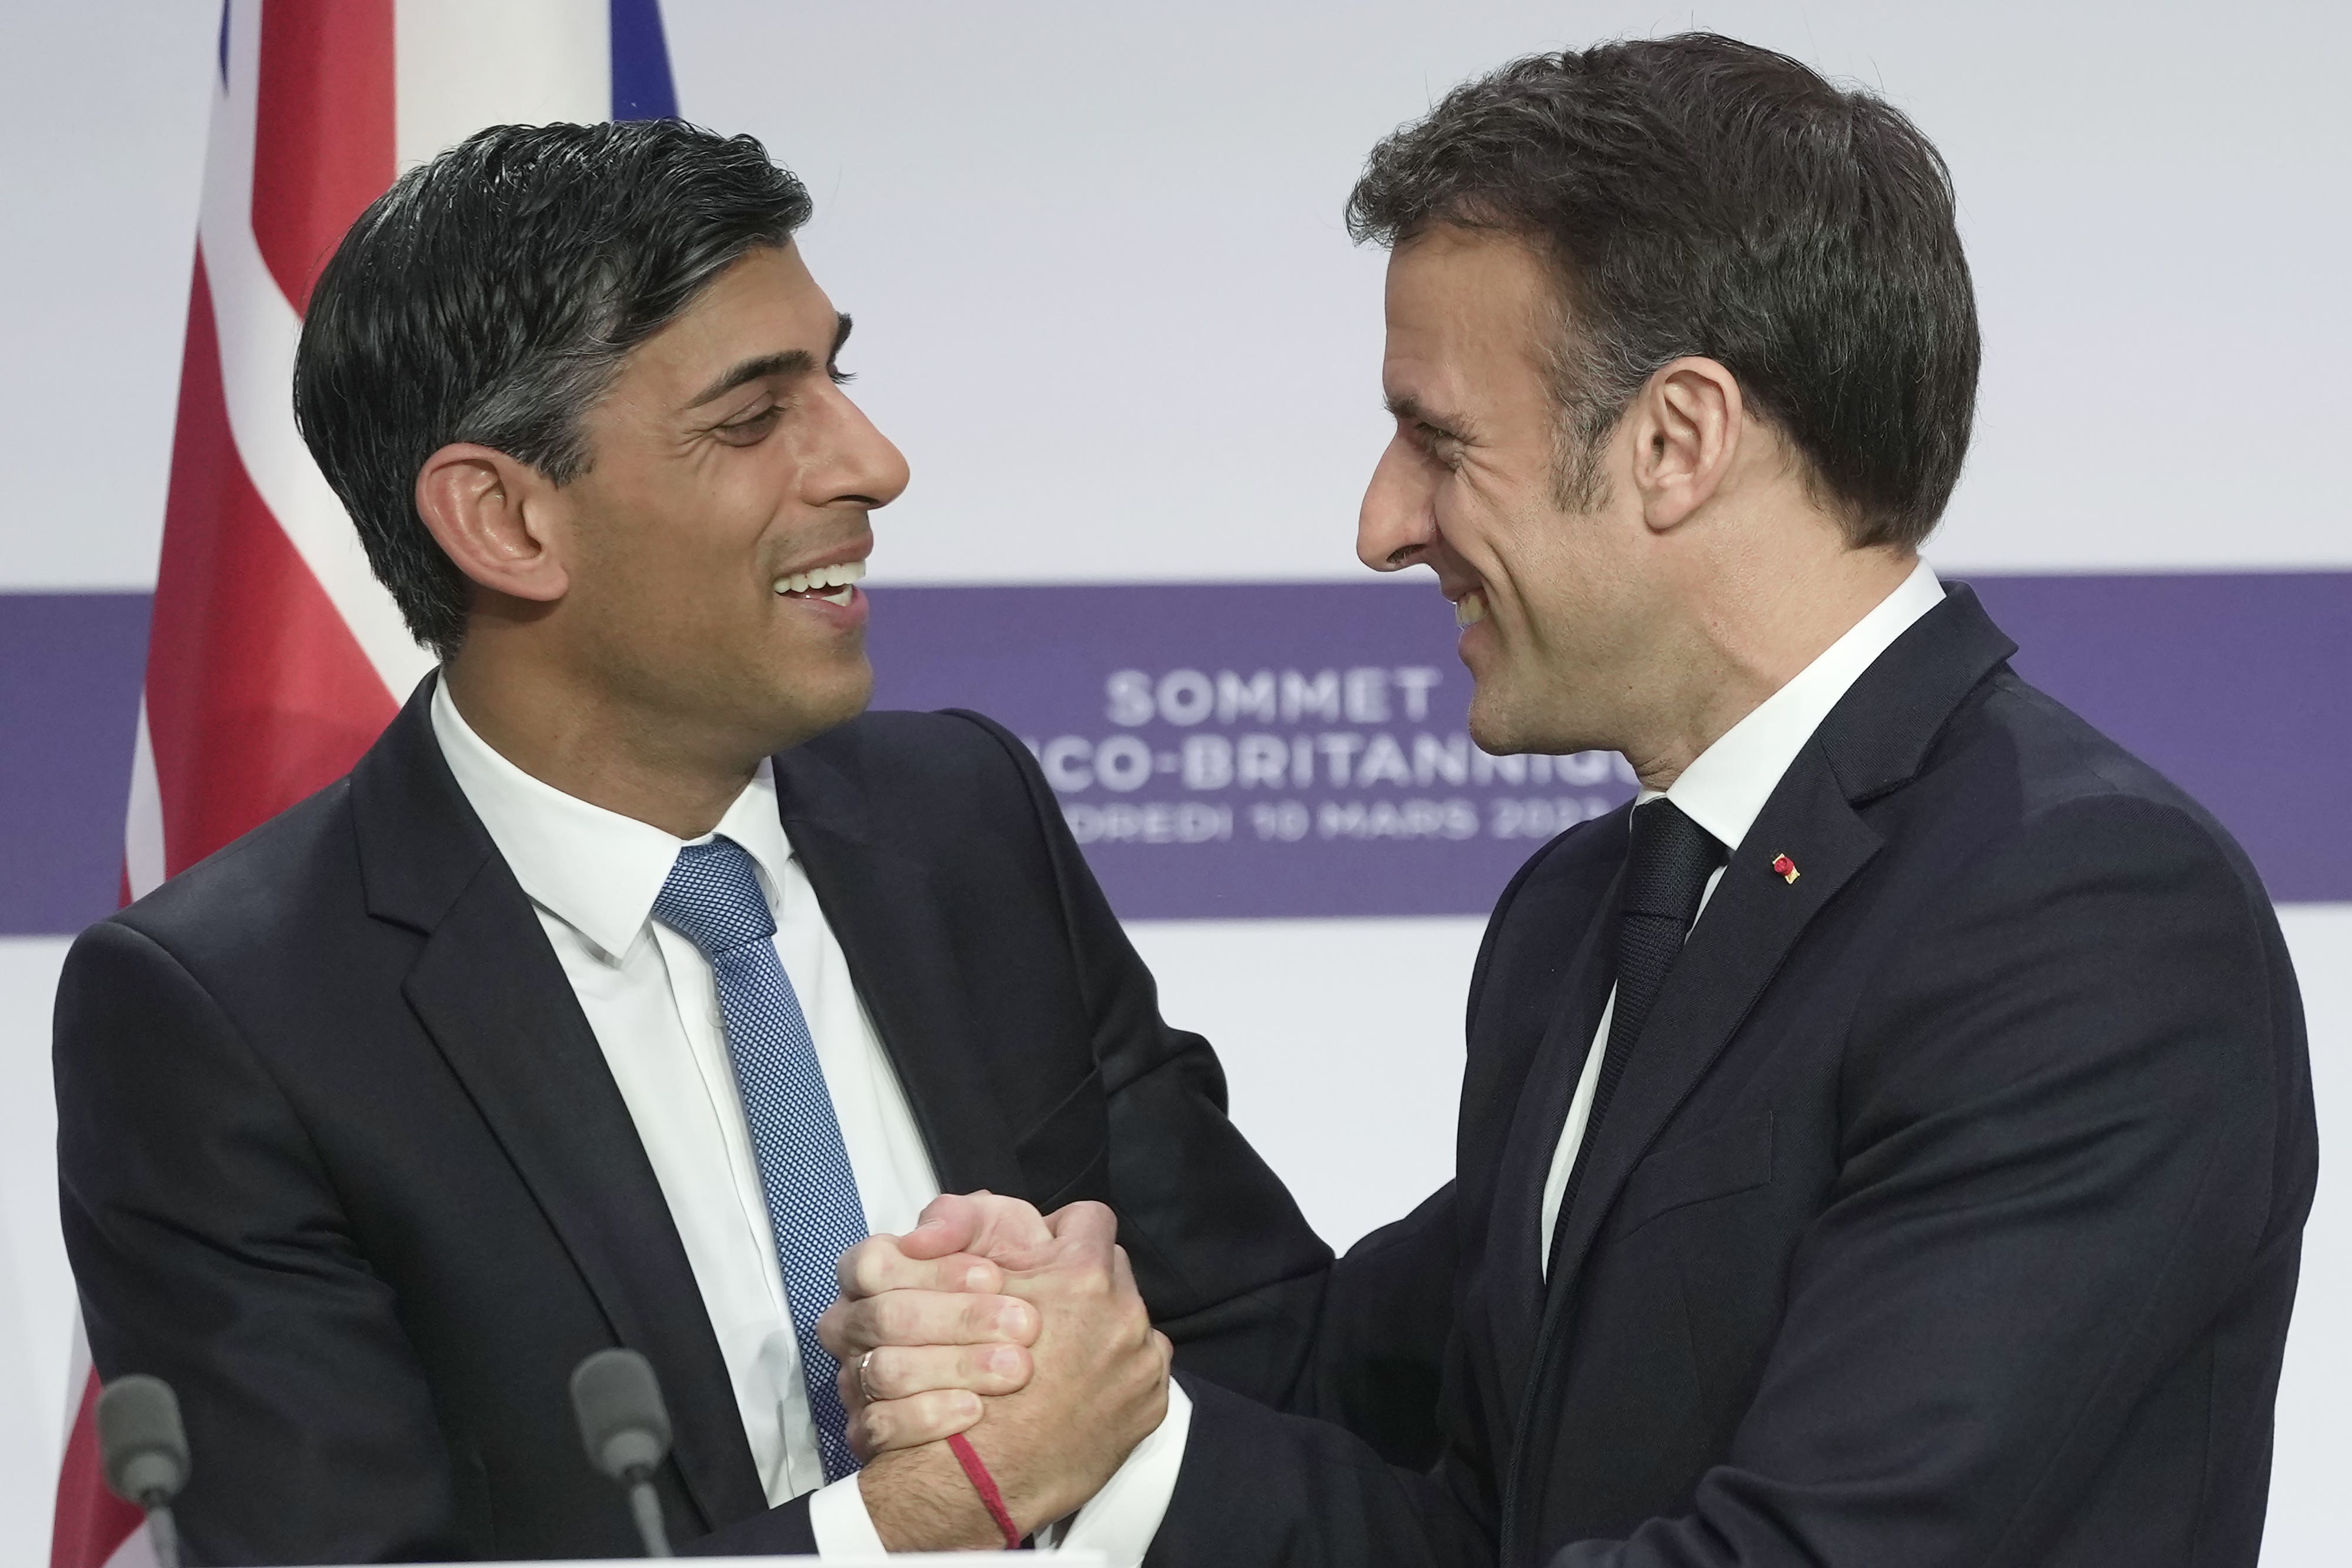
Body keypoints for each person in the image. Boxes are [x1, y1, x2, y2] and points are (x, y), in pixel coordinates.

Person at [832, 34, 2318, 1566]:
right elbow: (1445, 1480)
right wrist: (1064, 1380)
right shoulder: (1583, 918)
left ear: (1676, 440)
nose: (1381, 523)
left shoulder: (2080, 917)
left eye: (1441, 439)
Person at [51, 119, 1333, 1563]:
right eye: (750, 416)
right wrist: (920, 1513)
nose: (874, 462)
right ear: (505, 519)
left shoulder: (963, 818)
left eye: (836, 379)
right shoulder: (230, 1017)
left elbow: (1269, 1349)